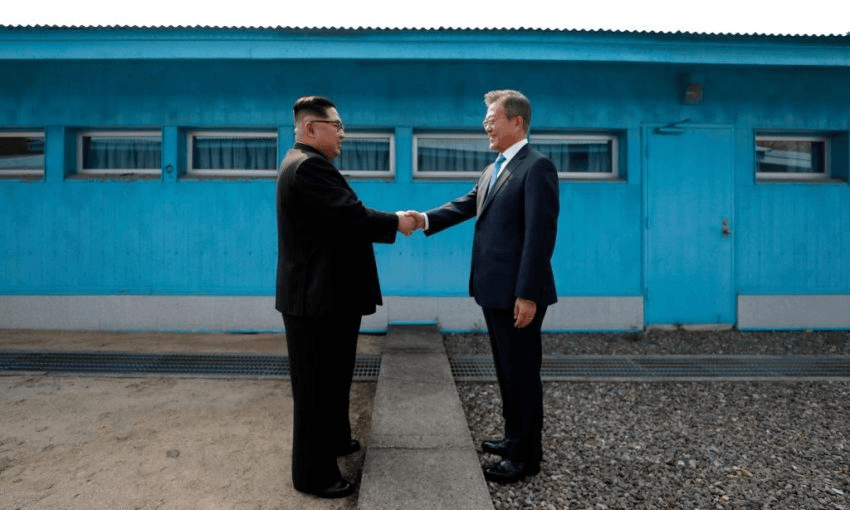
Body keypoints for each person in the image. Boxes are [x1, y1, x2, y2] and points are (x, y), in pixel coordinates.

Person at [405, 90, 559, 484]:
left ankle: (526, 457)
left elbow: (539, 238)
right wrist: (423, 218)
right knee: (506, 371)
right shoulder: (494, 168)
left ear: (517, 122)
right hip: (493, 289)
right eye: (486, 120)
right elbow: (467, 203)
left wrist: (527, 294)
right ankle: (513, 438)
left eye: (493, 119)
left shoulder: (537, 167)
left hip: (518, 293)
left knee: (522, 373)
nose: (486, 126)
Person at [276, 95, 416, 498]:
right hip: (316, 302)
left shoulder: (309, 165)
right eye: (336, 126)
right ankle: (313, 475)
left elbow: (343, 215)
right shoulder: (307, 168)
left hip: (327, 298)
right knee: (316, 390)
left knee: (334, 379)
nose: (343, 133)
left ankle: (336, 440)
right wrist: (398, 222)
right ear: (310, 129)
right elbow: (352, 216)